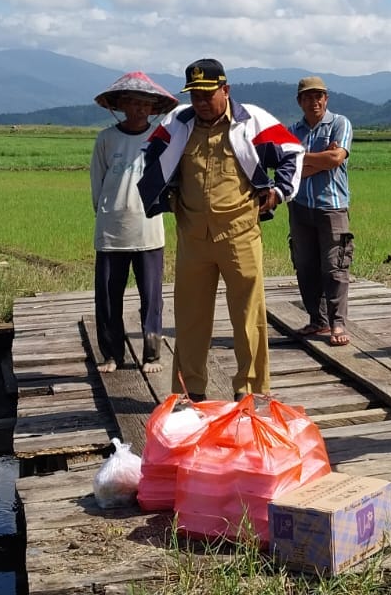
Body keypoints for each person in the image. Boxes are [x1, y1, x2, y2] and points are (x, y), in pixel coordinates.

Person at [138, 58, 304, 400]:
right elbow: (150, 155)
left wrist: (278, 192)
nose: (200, 101)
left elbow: (293, 151)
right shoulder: (177, 122)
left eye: (207, 93)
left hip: (239, 234)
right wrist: (167, 195)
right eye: (195, 94)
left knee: (248, 318)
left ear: (225, 90)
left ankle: (250, 393)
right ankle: (190, 393)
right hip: (193, 236)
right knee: (190, 319)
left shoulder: (251, 120)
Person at [90, 72, 178, 374]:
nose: (141, 109)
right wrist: (104, 212)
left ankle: (152, 354)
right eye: (135, 103)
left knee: (152, 298)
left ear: (153, 109)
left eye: (146, 104)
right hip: (112, 228)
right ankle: (112, 354)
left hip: (149, 228)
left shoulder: (161, 140)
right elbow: (97, 184)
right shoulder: (106, 139)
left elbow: (169, 180)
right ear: (122, 104)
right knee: (107, 296)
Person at [287, 76, 356, 347]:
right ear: (300, 101)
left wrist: (305, 160)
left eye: (318, 96)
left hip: (332, 207)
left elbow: (337, 158)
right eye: (307, 97)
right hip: (300, 205)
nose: (313, 101)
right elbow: (289, 168)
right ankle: (318, 320)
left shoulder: (339, 123)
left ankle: (337, 322)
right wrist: (322, 161)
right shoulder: (292, 131)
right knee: (304, 266)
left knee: (334, 266)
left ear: (326, 99)